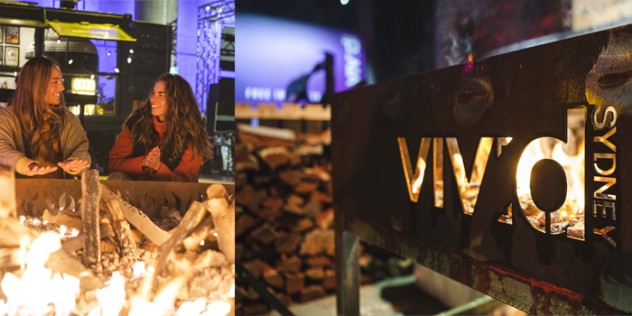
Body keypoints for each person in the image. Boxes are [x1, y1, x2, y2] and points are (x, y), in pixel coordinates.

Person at [108, 73, 212, 182]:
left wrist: (158, 167)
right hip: (136, 190)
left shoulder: (191, 133)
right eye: (153, 93)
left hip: (170, 194)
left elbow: (185, 182)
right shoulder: (137, 122)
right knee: (116, 178)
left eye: (161, 95)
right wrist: (143, 162)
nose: (152, 98)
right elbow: (115, 164)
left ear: (176, 100)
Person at [0, 56, 91, 178]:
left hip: (59, 192)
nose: (62, 87)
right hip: (16, 191)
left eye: (61, 81)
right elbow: (2, 150)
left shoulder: (68, 119)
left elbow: (81, 149)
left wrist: (75, 162)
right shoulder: (7, 118)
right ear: (36, 85)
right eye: (55, 82)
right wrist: (26, 165)